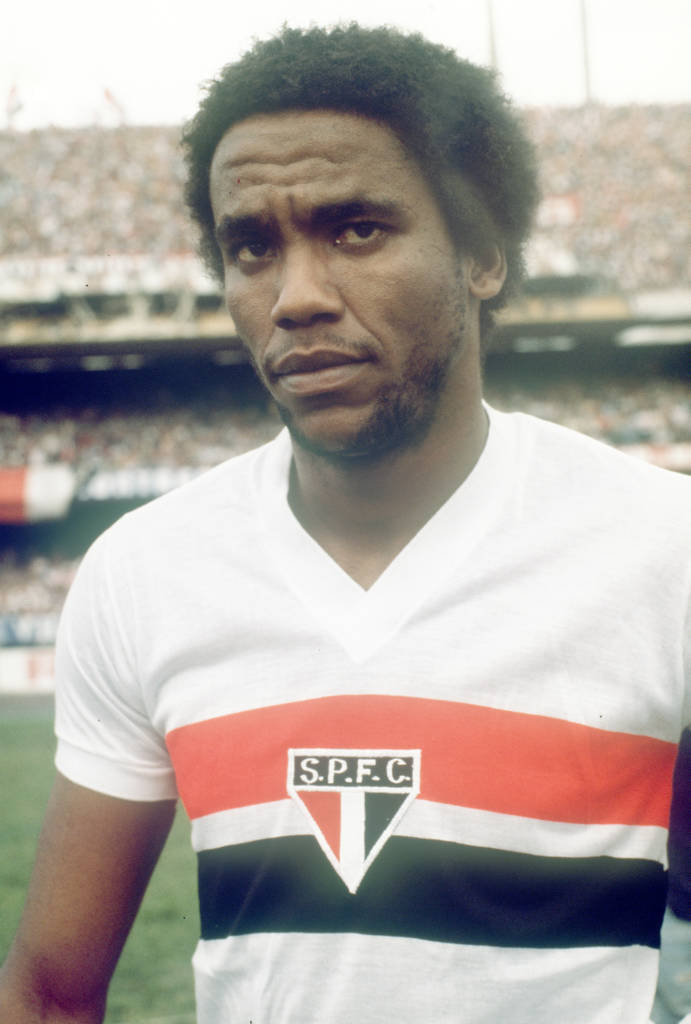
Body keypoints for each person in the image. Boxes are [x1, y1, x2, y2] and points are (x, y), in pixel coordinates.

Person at [1, 23, 689, 1024]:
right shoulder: (143, 571)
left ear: (482, 256)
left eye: (356, 230)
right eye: (251, 247)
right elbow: (48, 994)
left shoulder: (663, 547)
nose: (296, 297)